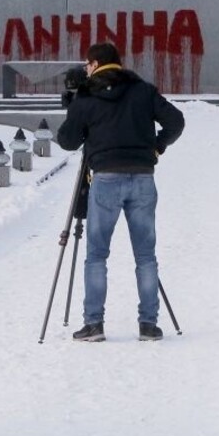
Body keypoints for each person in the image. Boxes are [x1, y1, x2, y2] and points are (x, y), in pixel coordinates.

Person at [56, 42, 185, 342]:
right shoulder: (142, 90)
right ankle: (149, 325)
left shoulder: (87, 97)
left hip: (105, 179)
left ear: (96, 64)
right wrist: (157, 145)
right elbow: (176, 121)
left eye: (87, 64)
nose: (85, 69)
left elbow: (67, 141)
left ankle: (94, 324)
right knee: (145, 255)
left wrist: (74, 108)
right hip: (142, 178)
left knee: (97, 254)